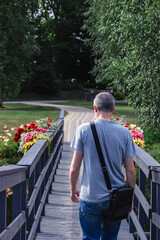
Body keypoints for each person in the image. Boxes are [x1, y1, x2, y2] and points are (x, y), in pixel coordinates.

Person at [69, 92, 136, 240]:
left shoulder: (83, 130)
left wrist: (73, 189)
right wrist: (129, 198)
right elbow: (130, 170)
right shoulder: (125, 132)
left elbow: (74, 168)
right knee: (110, 237)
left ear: (94, 108)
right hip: (117, 198)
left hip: (90, 197)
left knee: (90, 237)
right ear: (113, 109)